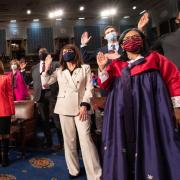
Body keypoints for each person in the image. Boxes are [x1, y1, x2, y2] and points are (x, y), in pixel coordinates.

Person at [97, 28, 180, 180]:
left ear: (142, 41)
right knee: (123, 145)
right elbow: (104, 84)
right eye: (127, 38)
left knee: (151, 139)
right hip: (121, 112)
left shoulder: (155, 58)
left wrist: (177, 107)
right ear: (122, 44)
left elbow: (174, 78)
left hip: (149, 111)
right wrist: (102, 68)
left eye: (136, 37)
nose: (132, 40)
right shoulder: (116, 64)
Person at [41, 44, 102, 179]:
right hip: (64, 107)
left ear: (76, 53)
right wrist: (46, 68)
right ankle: (73, 170)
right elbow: (45, 83)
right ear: (62, 56)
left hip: (82, 108)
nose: (67, 53)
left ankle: (95, 174)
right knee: (69, 141)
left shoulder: (85, 68)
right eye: (64, 52)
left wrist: (84, 104)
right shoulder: (59, 70)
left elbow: (89, 88)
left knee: (86, 140)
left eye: (70, 51)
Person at [80, 13, 149, 63]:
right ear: (105, 37)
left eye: (112, 31)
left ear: (117, 33)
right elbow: (86, 60)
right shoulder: (100, 51)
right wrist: (83, 45)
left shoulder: (126, 46)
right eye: (108, 33)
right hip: (108, 80)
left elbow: (142, 53)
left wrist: (140, 30)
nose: (110, 33)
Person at [31, 48, 58, 148]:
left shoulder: (55, 64)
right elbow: (29, 81)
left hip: (52, 94)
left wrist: (48, 65)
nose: (41, 54)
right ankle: (49, 142)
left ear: (47, 54)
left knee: (56, 119)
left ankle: (62, 143)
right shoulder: (34, 68)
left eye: (44, 52)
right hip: (40, 96)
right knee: (44, 120)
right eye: (40, 52)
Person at [0, 60, 15, 167]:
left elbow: (10, 96)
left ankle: (5, 157)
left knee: (5, 135)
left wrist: (12, 111)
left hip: (4, 111)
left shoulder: (6, 78)